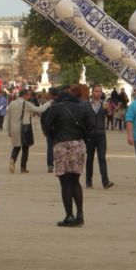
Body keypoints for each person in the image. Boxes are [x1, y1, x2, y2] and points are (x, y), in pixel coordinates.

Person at [45, 86, 88, 227]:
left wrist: (54, 138)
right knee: (75, 181)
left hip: (62, 144)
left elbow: (46, 126)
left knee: (65, 182)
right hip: (79, 144)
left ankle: (69, 216)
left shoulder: (56, 108)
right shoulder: (81, 107)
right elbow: (91, 126)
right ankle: (80, 214)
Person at [6, 88, 46, 174]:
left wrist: (9, 131)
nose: (30, 96)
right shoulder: (27, 104)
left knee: (16, 147)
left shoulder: (11, 104)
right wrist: (49, 103)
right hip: (25, 128)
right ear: (24, 95)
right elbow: (40, 109)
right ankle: (23, 168)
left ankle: (12, 159)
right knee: (25, 148)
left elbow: (8, 118)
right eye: (28, 95)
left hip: (14, 128)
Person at [84, 84, 114, 189]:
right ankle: (88, 181)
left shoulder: (104, 104)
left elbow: (109, 116)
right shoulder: (85, 104)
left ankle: (105, 181)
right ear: (92, 92)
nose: (98, 93)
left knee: (102, 158)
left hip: (101, 134)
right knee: (90, 158)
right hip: (89, 135)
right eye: (96, 91)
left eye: (100, 91)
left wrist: (110, 110)